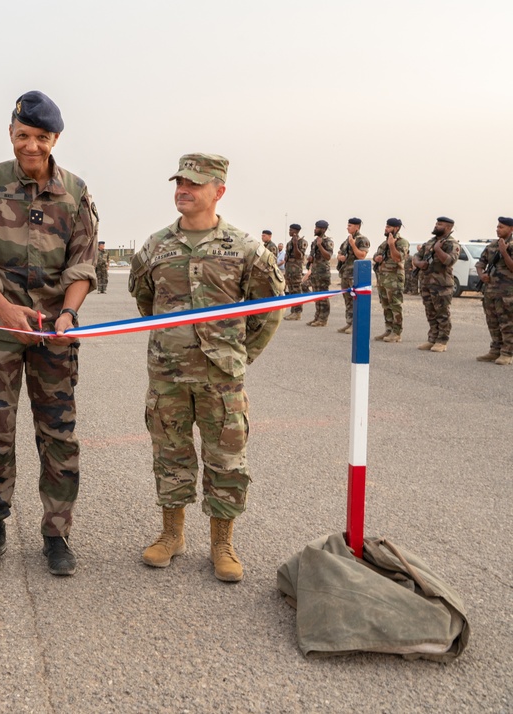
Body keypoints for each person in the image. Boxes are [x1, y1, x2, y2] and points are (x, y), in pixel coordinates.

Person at [0, 91, 98, 576]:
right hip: (0, 331)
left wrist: (68, 315)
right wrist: (2, 308)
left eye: (41, 138)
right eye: (23, 136)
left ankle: (57, 534)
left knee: (58, 435)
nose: (31, 146)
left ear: (55, 138)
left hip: (55, 335)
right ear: (11, 135)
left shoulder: (75, 192)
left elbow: (83, 261)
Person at [129, 153, 284, 582]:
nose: (184, 189)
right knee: (170, 454)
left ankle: (222, 543)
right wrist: (170, 344)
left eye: (195, 183)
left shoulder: (245, 247)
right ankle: (171, 535)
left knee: (227, 462)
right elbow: (144, 298)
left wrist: (240, 353)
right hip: (168, 376)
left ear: (219, 191)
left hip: (221, 379)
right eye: (180, 181)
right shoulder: (156, 245)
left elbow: (270, 308)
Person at [412, 217, 460, 352]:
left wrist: (438, 250)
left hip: (442, 285)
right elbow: (417, 255)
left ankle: (442, 341)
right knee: (430, 312)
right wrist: (419, 263)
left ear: (449, 228)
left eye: (440, 224)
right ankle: (432, 338)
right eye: (436, 223)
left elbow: (449, 261)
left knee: (442, 313)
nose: (436, 226)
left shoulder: (452, 243)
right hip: (427, 283)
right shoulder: (430, 242)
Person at [475, 216, 513, 365]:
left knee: (507, 323)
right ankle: (495, 350)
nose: (498, 229)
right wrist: (481, 275)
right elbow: (480, 263)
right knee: (492, 322)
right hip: (490, 292)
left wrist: (504, 252)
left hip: (507, 293)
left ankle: (507, 353)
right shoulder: (491, 246)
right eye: (497, 227)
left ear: (511, 229)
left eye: (501, 227)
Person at [372, 218, 409, 342]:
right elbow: (376, 255)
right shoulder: (383, 244)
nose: (386, 229)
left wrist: (392, 245)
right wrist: (376, 258)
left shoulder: (402, 242)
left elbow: (398, 258)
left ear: (396, 228)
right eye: (386, 227)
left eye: (389, 227)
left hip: (394, 279)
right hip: (382, 279)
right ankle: (388, 330)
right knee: (386, 306)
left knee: (395, 306)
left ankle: (397, 332)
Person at [335, 218, 369, 333]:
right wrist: (340, 257)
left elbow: (362, 256)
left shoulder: (362, 240)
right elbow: (339, 254)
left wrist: (353, 245)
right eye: (347, 225)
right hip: (345, 274)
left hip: (355, 275)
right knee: (347, 300)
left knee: (356, 300)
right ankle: (349, 323)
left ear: (357, 227)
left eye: (350, 225)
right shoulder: (347, 240)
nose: (347, 227)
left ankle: (356, 325)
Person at [305, 220, 334, 326]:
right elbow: (313, 257)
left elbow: (328, 256)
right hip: (315, 273)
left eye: (317, 227)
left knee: (323, 297)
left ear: (323, 229)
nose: (315, 229)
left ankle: (323, 319)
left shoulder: (327, 241)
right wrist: (310, 259)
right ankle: (317, 317)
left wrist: (320, 246)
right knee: (317, 296)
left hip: (323, 273)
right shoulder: (314, 242)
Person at [283, 223, 308, 320]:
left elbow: (299, 256)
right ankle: (293, 311)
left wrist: (295, 244)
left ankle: (297, 313)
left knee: (297, 291)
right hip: (289, 270)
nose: (289, 232)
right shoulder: (289, 242)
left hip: (296, 271)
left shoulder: (302, 242)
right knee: (292, 291)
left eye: (291, 230)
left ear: (296, 231)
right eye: (289, 230)